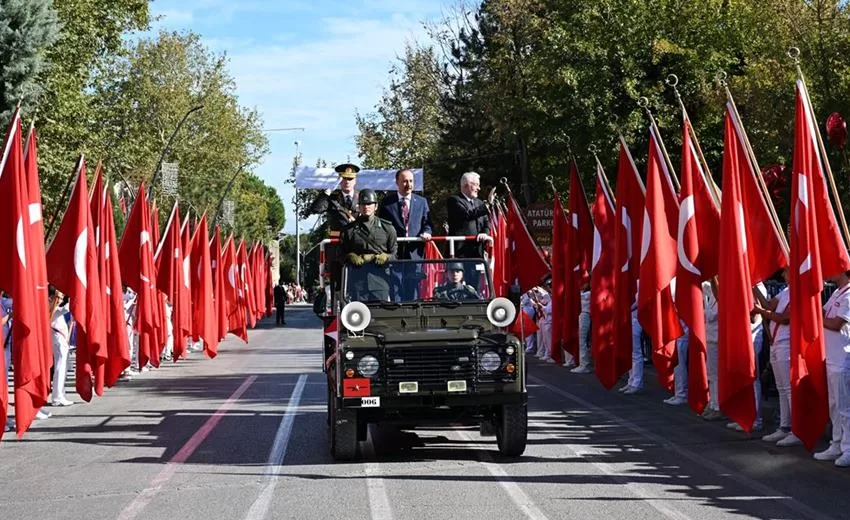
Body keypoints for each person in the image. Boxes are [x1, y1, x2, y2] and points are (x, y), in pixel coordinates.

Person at [753, 268, 801, 446]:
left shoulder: (799, 291)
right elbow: (768, 305)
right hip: (776, 343)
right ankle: (785, 426)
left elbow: (784, 319)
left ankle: (797, 429)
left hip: (787, 343)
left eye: (786, 272)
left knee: (789, 388)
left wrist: (761, 311)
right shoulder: (785, 291)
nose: (782, 275)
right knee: (781, 387)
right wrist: (752, 287)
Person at [814, 270, 850, 466]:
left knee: (845, 408)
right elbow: (823, 313)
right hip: (832, 357)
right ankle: (836, 443)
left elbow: (836, 323)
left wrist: (816, 318)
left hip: (843, 359)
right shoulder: (837, 293)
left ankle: (848, 449)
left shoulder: (849, 295)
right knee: (834, 406)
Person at [340, 189, 397, 302]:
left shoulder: (387, 228)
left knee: (381, 317)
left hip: (380, 282)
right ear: (359, 206)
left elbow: (395, 255)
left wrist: (386, 257)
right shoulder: (349, 230)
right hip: (357, 283)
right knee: (358, 318)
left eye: (369, 204)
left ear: (375, 206)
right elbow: (340, 255)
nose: (366, 207)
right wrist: (350, 256)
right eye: (363, 204)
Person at [728, 282, 767, 432]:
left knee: (752, 379)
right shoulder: (742, 284)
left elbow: (754, 317)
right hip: (741, 338)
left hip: (752, 339)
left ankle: (755, 418)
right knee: (741, 378)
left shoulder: (758, 288)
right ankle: (744, 415)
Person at [446, 172, 494, 284]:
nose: (479, 188)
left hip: (476, 252)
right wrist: (487, 205)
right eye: (476, 185)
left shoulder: (479, 203)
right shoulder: (454, 200)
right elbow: (467, 214)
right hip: (459, 253)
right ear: (467, 185)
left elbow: (487, 223)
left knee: (474, 286)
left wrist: (484, 233)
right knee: (456, 286)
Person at [378, 168, 433, 258]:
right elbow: (381, 226)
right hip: (394, 253)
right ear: (397, 182)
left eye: (411, 181)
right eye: (405, 181)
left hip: (415, 253)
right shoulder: (387, 203)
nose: (409, 184)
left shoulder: (422, 202)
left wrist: (427, 232)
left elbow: (427, 223)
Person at [702, 280, 724, 421]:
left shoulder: (721, 297)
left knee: (716, 375)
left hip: (717, 340)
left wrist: (700, 304)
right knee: (711, 375)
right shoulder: (713, 297)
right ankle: (713, 403)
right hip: (710, 339)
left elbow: (710, 316)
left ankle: (718, 407)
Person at [48, 286, 74, 406]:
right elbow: (51, 315)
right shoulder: (50, 305)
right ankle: (57, 396)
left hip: (62, 339)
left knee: (62, 367)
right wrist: (56, 300)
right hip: (57, 338)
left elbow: (65, 309)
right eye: (60, 295)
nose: (62, 297)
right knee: (60, 366)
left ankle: (60, 394)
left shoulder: (57, 307)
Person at [571, 282, 593, 373]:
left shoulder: (588, 293)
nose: (582, 285)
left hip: (586, 315)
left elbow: (578, 297)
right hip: (583, 315)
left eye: (584, 283)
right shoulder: (584, 293)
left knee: (583, 340)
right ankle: (583, 363)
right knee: (582, 340)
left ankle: (584, 364)